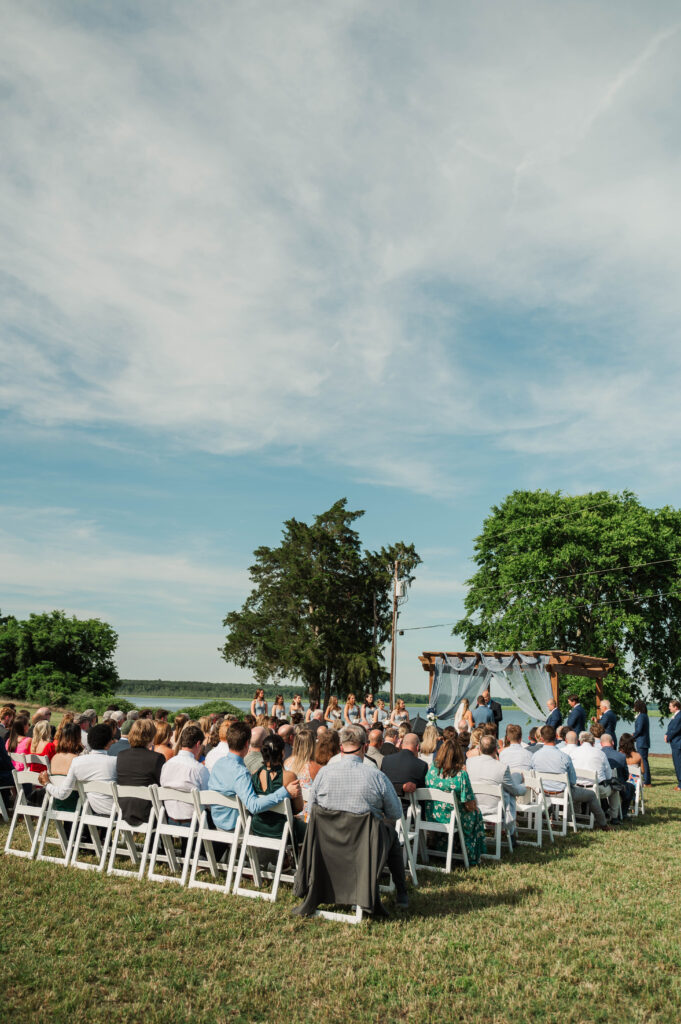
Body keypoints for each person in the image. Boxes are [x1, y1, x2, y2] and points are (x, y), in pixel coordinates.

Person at [306, 724, 410, 909]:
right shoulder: (376, 776)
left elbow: (312, 808)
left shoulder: (323, 774)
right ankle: (401, 893)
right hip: (364, 848)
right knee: (392, 836)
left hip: (329, 845)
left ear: (340, 749)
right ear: (364, 747)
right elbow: (395, 813)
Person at [208, 721, 300, 832]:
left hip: (217, 823)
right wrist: (285, 792)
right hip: (236, 827)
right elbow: (254, 806)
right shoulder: (240, 772)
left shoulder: (219, 763)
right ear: (247, 744)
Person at [531, 725, 609, 830]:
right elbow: (572, 781)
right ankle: (603, 824)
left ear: (542, 738)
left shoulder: (535, 756)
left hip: (542, 792)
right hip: (562, 793)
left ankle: (553, 817)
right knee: (591, 795)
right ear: (555, 736)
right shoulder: (564, 757)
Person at [424, 735, 486, 866]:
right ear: (458, 755)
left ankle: (444, 847)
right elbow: (469, 805)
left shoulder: (431, 772)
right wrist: (475, 806)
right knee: (476, 813)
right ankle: (471, 853)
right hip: (454, 818)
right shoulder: (461, 775)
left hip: (434, 816)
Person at [38, 723, 117, 815]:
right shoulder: (77, 759)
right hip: (79, 806)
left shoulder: (57, 758)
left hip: (58, 804)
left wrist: (47, 784)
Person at [466, 735, 525, 841]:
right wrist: (524, 788)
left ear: (479, 748)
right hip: (495, 808)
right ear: (495, 749)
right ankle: (510, 834)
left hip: (474, 805)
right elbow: (514, 790)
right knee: (509, 793)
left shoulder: (469, 762)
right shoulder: (502, 767)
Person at [251, 733, 305, 842]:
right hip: (281, 830)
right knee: (311, 830)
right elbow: (298, 808)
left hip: (258, 827)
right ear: (282, 753)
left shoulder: (254, 774)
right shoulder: (289, 776)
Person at [116, 719, 165, 826]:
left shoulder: (121, 755)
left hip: (123, 808)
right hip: (147, 812)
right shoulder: (157, 758)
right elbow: (161, 784)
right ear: (151, 737)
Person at [160, 724, 209, 823]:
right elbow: (207, 800)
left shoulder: (167, 765)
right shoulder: (199, 769)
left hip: (170, 819)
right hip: (193, 821)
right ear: (198, 744)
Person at [381, 733, 427, 800]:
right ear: (417, 747)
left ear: (402, 745)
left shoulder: (386, 760)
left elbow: (382, 783)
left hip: (387, 804)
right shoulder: (422, 765)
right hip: (409, 807)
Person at [600, 733, 635, 817]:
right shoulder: (621, 756)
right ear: (612, 742)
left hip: (601, 784)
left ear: (601, 743)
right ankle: (623, 813)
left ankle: (605, 809)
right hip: (617, 784)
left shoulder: (597, 755)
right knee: (631, 787)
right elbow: (626, 775)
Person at [632, 699, 651, 786]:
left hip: (642, 742)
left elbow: (639, 730)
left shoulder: (642, 716)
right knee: (643, 761)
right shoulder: (644, 715)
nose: (634, 707)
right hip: (642, 741)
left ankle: (647, 781)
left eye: (635, 706)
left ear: (638, 707)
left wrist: (632, 737)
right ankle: (645, 780)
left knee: (643, 761)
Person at [665, 699, 681, 790]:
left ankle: (680, 785)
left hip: (678, 743)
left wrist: (668, 737)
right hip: (677, 743)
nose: (669, 708)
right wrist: (667, 734)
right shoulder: (677, 716)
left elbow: (675, 729)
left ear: (675, 707)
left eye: (670, 706)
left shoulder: (679, 716)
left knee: (678, 764)